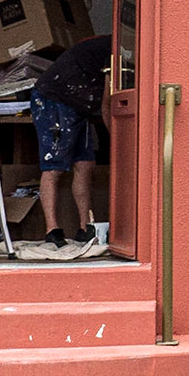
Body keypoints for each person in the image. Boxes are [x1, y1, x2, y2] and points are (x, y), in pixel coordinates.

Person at [28, 33, 111, 253]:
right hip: (54, 98)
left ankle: (85, 227)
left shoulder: (120, 50)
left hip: (78, 104)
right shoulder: (116, 52)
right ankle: (52, 229)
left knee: (85, 164)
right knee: (54, 165)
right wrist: (118, 138)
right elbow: (108, 105)